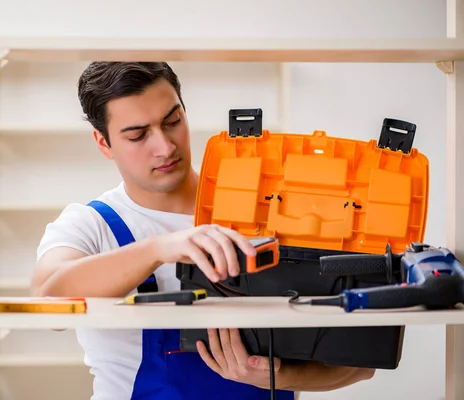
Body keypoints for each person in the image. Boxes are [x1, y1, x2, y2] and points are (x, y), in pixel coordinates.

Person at [30, 62, 375, 399]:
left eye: (173, 121)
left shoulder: (274, 210)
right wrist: (157, 249)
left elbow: (362, 363)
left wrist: (281, 375)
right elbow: (47, 302)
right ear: (103, 143)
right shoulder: (91, 225)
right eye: (138, 135)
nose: (165, 147)